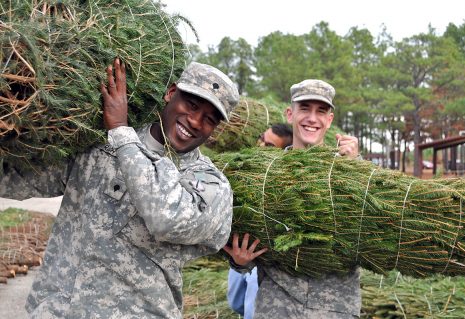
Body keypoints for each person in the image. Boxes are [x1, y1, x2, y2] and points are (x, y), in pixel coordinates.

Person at [0, 58, 239, 318]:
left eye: (209, 119)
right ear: (171, 93)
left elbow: (167, 218)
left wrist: (121, 133)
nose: (195, 121)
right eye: (191, 105)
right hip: (57, 311)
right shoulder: (98, 145)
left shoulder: (209, 186)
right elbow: (21, 178)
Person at [225, 79, 360, 319]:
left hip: (334, 310)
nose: (312, 118)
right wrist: (240, 262)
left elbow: (368, 232)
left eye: (321, 111)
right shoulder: (264, 177)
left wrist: (356, 169)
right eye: (304, 108)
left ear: (329, 120)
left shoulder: (351, 170)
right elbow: (249, 242)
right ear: (290, 114)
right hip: (277, 309)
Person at [226, 123, 293, 319]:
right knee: (236, 301)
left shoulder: (280, 189)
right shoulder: (242, 170)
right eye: (262, 139)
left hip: (262, 262)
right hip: (240, 256)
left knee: (251, 308)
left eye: (270, 146)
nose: (261, 146)